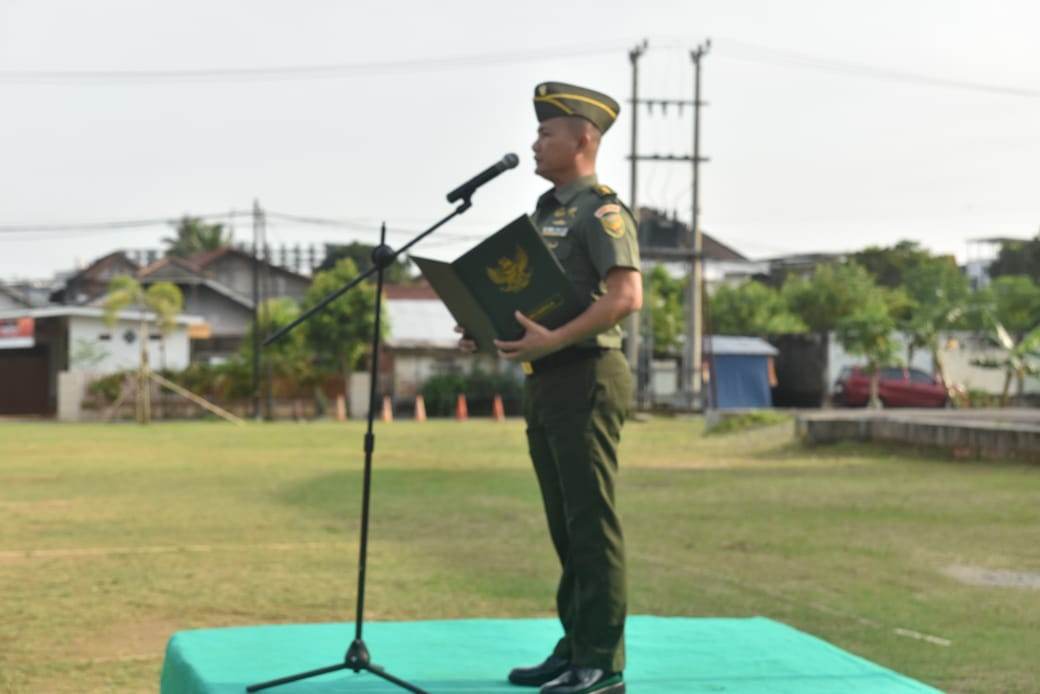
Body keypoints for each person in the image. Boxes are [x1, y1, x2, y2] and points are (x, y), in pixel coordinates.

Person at [457, 81, 641, 694]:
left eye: (545, 132)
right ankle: (576, 645)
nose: (535, 143)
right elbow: (539, 299)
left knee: (591, 522)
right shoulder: (546, 214)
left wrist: (552, 340)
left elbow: (626, 296)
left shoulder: (601, 212)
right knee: (566, 524)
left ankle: (603, 662)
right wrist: (483, 325)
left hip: (587, 375)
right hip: (549, 379)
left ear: (583, 139)